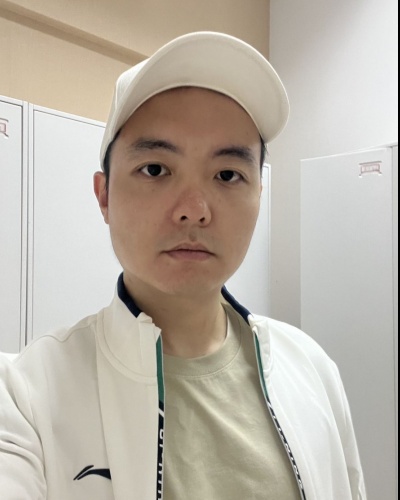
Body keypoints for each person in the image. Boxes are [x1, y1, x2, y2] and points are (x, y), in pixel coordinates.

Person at [0, 32, 366, 500]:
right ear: (104, 195)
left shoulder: (312, 370)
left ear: (259, 196)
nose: (194, 210)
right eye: (155, 169)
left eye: (228, 175)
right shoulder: (26, 397)